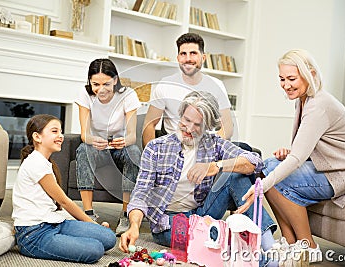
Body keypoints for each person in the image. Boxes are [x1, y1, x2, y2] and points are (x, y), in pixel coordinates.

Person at [120, 91, 277, 266]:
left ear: (207, 127)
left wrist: (215, 166)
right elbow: (141, 192)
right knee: (211, 240)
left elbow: (254, 161)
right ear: (180, 115)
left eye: (197, 125)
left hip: (203, 212)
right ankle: (257, 257)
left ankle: (269, 246)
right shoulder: (156, 148)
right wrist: (134, 226)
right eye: (186, 120)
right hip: (170, 221)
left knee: (235, 174)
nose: (189, 128)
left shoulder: (213, 143)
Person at [240, 49, 345, 263]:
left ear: (311, 74)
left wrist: (262, 185)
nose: (286, 84)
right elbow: (304, 148)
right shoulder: (303, 100)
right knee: (267, 166)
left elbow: (297, 159)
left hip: (343, 173)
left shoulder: (319, 105)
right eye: (281, 79)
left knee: (273, 177)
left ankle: (308, 245)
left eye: (291, 78)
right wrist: (289, 152)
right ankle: (290, 241)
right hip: (326, 166)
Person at [12, 114, 116, 264]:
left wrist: (93, 229)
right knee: (96, 249)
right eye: (54, 131)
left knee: (108, 237)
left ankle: (73, 240)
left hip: (55, 222)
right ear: (37, 137)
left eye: (61, 131)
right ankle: (71, 241)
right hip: (34, 234)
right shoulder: (35, 163)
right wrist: (91, 225)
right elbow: (65, 202)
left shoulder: (44, 162)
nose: (61, 136)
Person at [75, 58, 141, 236]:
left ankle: (125, 214)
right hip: (97, 148)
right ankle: (89, 215)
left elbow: (132, 136)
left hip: (119, 148)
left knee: (133, 152)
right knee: (83, 150)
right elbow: (84, 134)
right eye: (96, 84)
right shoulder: (84, 94)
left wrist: (124, 141)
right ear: (89, 81)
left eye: (106, 84)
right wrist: (92, 140)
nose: (101, 89)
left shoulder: (128, 95)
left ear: (116, 80)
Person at [142, 32, 235, 147]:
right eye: (183, 54)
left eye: (193, 53)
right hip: (176, 147)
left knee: (247, 154)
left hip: (208, 147)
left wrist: (210, 148)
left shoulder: (217, 85)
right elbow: (149, 125)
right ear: (178, 58)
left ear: (203, 57)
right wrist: (152, 156)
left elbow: (227, 126)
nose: (188, 59)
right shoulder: (165, 85)